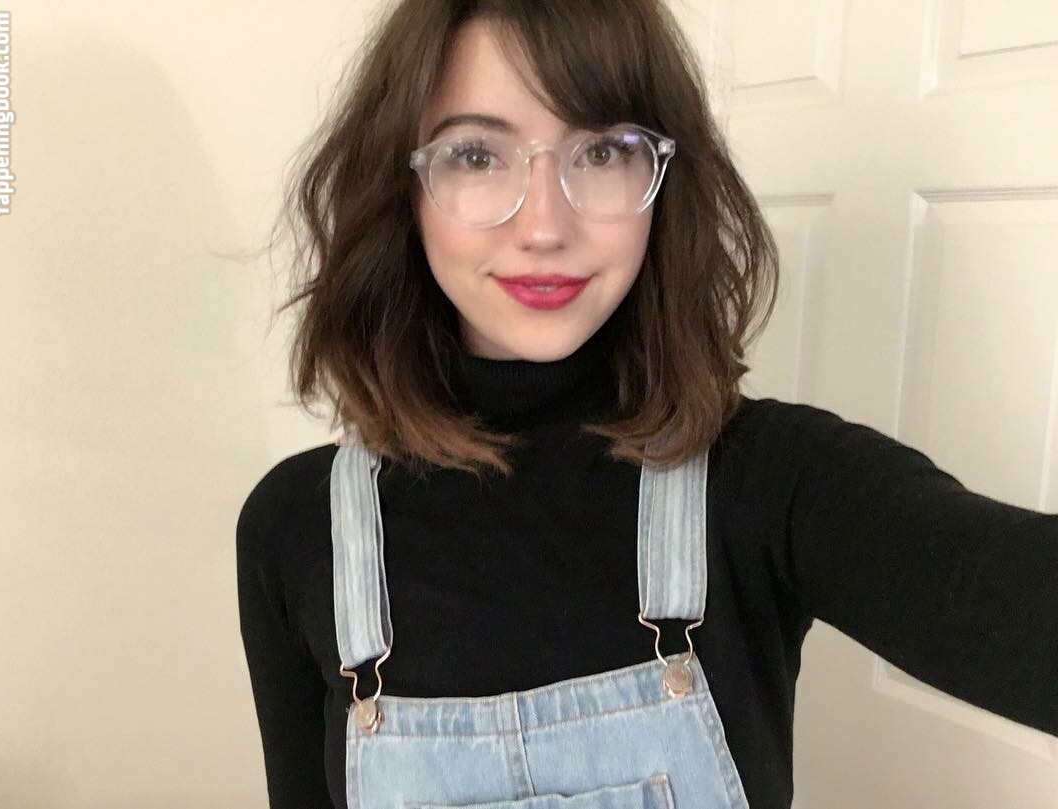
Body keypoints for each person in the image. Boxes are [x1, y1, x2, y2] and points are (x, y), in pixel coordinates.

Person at [236, 1, 1058, 807]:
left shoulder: (767, 484)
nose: (545, 226)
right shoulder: (297, 530)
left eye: (602, 150)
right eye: (477, 155)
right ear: (402, 186)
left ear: (664, 180)